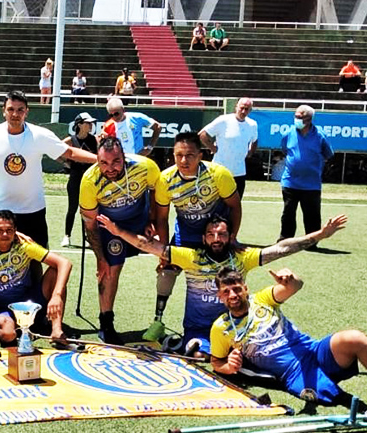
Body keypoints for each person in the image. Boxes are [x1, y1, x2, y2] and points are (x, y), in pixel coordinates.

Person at [210, 267, 367, 430]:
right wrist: (229, 367)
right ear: (219, 296)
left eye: (237, 289)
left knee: (355, 338)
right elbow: (216, 363)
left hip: (313, 350)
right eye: (226, 291)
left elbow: (295, 286)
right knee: (329, 395)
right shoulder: (220, 328)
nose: (233, 295)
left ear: (245, 288)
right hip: (292, 373)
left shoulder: (262, 299)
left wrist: (290, 279)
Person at [98, 212, 347, 358]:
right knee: (203, 356)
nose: (216, 239)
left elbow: (282, 248)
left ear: (229, 236)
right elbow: (148, 245)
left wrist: (320, 236)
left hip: (235, 328)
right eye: (211, 235)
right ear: (204, 238)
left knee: (255, 356)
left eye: (222, 234)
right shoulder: (191, 257)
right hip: (198, 328)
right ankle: (181, 343)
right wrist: (117, 230)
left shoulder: (242, 258)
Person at [146, 132, 241, 341]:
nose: (183, 160)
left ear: (200, 155)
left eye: (189, 155)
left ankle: (234, 322)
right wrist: (163, 250)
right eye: (179, 155)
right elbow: (161, 218)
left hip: (215, 235)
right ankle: (158, 321)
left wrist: (232, 237)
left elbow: (235, 206)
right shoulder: (166, 179)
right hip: (186, 235)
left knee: (227, 277)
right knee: (166, 272)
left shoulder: (218, 174)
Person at [0, 90, 96, 248]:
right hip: (0, 210)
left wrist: (100, 160)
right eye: (10, 109)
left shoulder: (40, 135)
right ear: (3, 111)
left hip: (33, 210)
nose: (15, 114)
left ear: (26, 112)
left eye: (20, 110)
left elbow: (69, 152)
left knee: (37, 262)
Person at [80, 136, 160, 345]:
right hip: (108, 226)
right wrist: (100, 258)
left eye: (116, 161)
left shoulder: (145, 167)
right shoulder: (90, 181)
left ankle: (160, 321)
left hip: (139, 221)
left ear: (124, 157)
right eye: (103, 163)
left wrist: (151, 219)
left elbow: (156, 194)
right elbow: (90, 224)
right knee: (110, 269)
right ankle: (106, 322)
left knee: (168, 257)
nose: (110, 168)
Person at [0, 210, 72, 343]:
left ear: (15, 231)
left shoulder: (25, 246)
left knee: (56, 271)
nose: (5, 234)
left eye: (9, 230)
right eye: (0, 230)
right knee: (7, 335)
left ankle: (56, 330)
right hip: (2, 309)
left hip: (29, 302)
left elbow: (65, 263)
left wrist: (56, 296)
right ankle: (25, 326)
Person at [279, 105, 334, 242]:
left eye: (300, 117)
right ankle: (285, 239)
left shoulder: (320, 135)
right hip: (290, 181)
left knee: (312, 215)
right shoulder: (288, 133)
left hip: (311, 184)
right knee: (288, 212)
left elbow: (328, 154)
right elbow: (285, 150)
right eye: (295, 116)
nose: (296, 119)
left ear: (309, 119)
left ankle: (312, 241)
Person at [199, 97, 258, 197]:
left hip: (239, 173)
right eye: (242, 108)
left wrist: (250, 152)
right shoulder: (223, 120)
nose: (243, 111)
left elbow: (255, 140)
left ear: (250, 110)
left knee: (235, 207)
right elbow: (202, 135)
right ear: (236, 107)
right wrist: (212, 148)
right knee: (215, 205)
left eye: (247, 109)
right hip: (219, 172)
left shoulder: (252, 124)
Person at [61, 112, 98, 247]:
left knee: (88, 209)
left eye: (91, 123)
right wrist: (66, 163)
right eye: (87, 123)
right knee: (72, 208)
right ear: (79, 124)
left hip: (90, 180)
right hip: (75, 177)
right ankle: (67, 236)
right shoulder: (71, 140)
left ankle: (88, 237)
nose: (90, 125)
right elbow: (56, 151)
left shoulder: (94, 140)